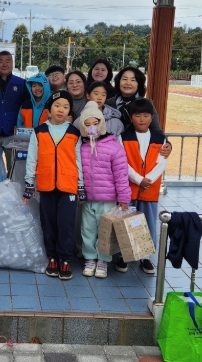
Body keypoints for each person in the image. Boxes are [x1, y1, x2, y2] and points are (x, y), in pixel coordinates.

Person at [22, 90, 82, 281]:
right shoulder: (39, 131)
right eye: (57, 106)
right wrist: (29, 183)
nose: (61, 110)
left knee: (66, 224)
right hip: (46, 185)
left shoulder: (74, 133)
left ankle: (65, 259)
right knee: (48, 223)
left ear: (69, 111)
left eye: (66, 107)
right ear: (49, 110)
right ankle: (52, 258)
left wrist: (80, 185)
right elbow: (32, 159)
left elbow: (78, 160)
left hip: (68, 186)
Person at [78, 101, 131, 279]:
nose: (92, 127)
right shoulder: (81, 147)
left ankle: (103, 260)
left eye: (95, 123)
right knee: (87, 230)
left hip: (108, 199)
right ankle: (89, 258)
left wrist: (124, 198)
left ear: (102, 123)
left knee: (105, 231)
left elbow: (121, 175)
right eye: (87, 124)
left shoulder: (114, 147)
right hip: (88, 198)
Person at [120, 99, 167, 275]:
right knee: (126, 222)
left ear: (152, 117)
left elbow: (162, 162)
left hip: (150, 190)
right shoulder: (123, 137)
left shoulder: (160, 139)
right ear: (131, 118)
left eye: (146, 115)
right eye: (137, 115)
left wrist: (149, 180)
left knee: (147, 223)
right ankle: (123, 255)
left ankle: (145, 257)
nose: (142, 119)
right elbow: (122, 162)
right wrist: (139, 179)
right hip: (129, 189)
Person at [106, 66, 172, 156]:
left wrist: (167, 144)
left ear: (139, 84)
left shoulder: (146, 104)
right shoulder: (109, 103)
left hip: (135, 152)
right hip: (111, 152)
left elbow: (156, 129)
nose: (128, 83)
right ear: (118, 82)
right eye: (124, 79)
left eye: (133, 80)